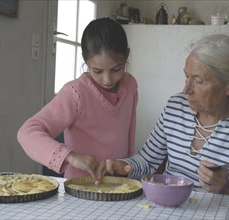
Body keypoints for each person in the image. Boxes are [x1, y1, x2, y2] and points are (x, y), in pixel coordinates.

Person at [97, 34, 229, 219]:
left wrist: (227, 190)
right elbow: (148, 161)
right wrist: (124, 166)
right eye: (186, 76)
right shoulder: (176, 107)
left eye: (198, 81)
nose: (186, 89)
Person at [17, 17, 138, 181]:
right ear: (86, 61)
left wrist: (128, 168)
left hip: (120, 185)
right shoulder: (76, 94)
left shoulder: (129, 85)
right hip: (79, 188)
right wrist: (70, 156)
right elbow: (27, 133)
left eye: (116, 69)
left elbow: (129, 139)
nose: (108, 79)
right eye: (97, 71)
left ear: (127, 56)